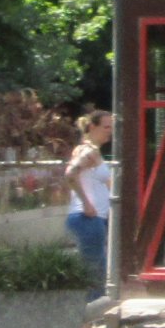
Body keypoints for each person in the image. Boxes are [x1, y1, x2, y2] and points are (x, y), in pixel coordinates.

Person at [63, 112, 113, 284]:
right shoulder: (88, 151)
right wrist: (86, 203)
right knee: (94, 273)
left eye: (112, 127)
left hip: (96, 219)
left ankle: (93, 305)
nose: (110, 131)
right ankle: (90, 307)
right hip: (89, 218)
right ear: (92, 127)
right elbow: (70, 174)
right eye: (106, 127)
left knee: (98, 270)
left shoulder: (93, 152)